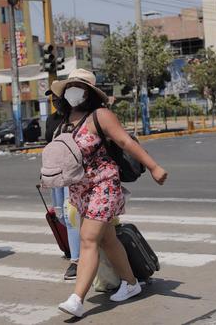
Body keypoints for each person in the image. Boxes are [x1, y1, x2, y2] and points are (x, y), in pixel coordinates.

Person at [53, 69, 168, 317]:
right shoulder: (67, 118)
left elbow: (126, 142)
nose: (74, 90)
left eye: (80, 86)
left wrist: (154, 167)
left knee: (88, 239)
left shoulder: (101, 116)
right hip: (79, 188)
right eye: (71, 85)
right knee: (107, 239)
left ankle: (77, 299)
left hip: (103, 185)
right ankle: (131, 283)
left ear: (90, 92)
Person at [45, 89, 81, 280]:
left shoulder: (76, 117)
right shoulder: (51, 120)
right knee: (60, 215)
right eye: (53, 98)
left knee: (70, 215)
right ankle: (74, 248)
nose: (56, 101)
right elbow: (48, 147)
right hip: (55, 174)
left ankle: (76, 260)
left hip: (72, 174)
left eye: (59, 98)